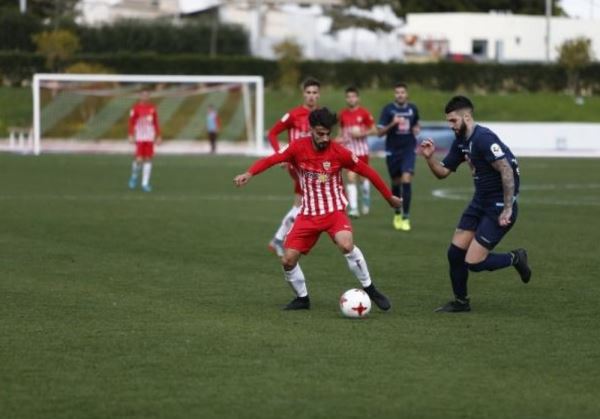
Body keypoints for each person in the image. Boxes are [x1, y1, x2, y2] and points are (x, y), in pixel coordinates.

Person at [234, 108, 402, 311]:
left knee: (346, 244)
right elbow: (272, 159)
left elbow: (368, 171)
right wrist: (249, 173)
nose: (324, 138)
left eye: (327, 134)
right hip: (308, 214)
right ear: (311, 130)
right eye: (320, 133)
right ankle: (302, 299)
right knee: (287, 260)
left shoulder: (339, 152)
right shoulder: (297, 148)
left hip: (334, 212)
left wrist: (388, 197)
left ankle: (370, 289)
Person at [420, 95, 532, 313]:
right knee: (454, 254)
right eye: (448, 122)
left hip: (498, 206)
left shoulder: (483, 138)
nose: (450, 126)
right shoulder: (462, 141)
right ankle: (461, 302)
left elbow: (506, 170)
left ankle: (515, 258)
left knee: (474, 262)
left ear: (467, 117)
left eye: (453, 121)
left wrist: (508, 207)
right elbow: (443, 172)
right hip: (479, 202)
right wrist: (430, 158)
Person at [266, 78, 320, 256]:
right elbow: (272, 133)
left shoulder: (320, 115)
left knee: (301, 202)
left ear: (318, 95)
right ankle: (285, 239)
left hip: (313, 166)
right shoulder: (294, 114)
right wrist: (280, 155)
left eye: (314, 93)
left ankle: (279, 239)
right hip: (297, 165)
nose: (311, 96)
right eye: (308, 92)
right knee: (308, 203)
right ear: (303, 94)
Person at [377, 83, 420, 231]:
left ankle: (406, 217)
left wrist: (416, 128)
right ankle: (397, 213)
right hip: (392, 151)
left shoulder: (413, 108)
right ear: (394, 95)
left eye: (402, 92)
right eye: (397, 92)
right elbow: (380, 133)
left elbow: (416, 124)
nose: (400, 95)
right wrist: (392, 124)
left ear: (406, 94)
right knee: (396, 182)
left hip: (408, 149)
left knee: (406, 179)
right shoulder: (388, 109)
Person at [338, 86, 377, 218]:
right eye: (348, 97)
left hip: (362, 152)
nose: (351, 99)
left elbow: (374, 130)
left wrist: (361, 133)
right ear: (346, 98)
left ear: (358, 98)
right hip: (349, 152)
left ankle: (365, 199)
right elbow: (341, 132)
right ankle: (354, 208)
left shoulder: (364, 113)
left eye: (353, 96)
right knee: (350, 177)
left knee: (363, 179)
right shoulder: (342, 114)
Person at [128, 90, 161, 192]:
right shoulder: (135, 108)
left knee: (148, 159)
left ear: (149, 97)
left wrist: (158, 135)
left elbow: (156, 123)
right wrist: (131, 134)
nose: (145, 97)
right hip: (139, 137)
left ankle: (145, 184)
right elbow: (131, 122)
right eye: (143, 95)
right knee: (138, 160)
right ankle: (134, 176)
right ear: (140, 96)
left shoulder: (152, 108)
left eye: (147, 95)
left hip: (149, 137)